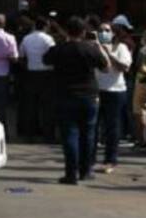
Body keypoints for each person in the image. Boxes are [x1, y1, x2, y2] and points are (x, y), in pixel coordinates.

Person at [45, 16, 110, 184]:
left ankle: (71, 173)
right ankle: (86, 170)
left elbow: (46, 61)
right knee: (88, 135)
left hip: (65, 95)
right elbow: (106, 67)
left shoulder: (59, 49)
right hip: (89, 96)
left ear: (67, 31)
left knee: (69, 135)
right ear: (84, 32)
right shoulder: (90, 49)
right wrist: (99, 47)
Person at [95, 21, 132, 173]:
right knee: (93, 127)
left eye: (107, 30)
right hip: (97, 91)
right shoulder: (93, 47)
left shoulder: (121, 47)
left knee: (112, 127)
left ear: (113, 33)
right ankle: (89, 160)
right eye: (101, 30)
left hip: (115, 92)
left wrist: (108, 53)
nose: (104, 33)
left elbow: (125, 67)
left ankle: (110, 160)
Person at [18, 16, 55, 141]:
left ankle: (29, 135)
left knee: (31, 105)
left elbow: (21, 55)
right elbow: (53, 54)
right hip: (47, 74)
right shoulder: (48, 39)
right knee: (47, 106)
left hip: (31, 73)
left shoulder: (26, 38)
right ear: (45, 26)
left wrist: (27, 66)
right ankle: (48, 135)